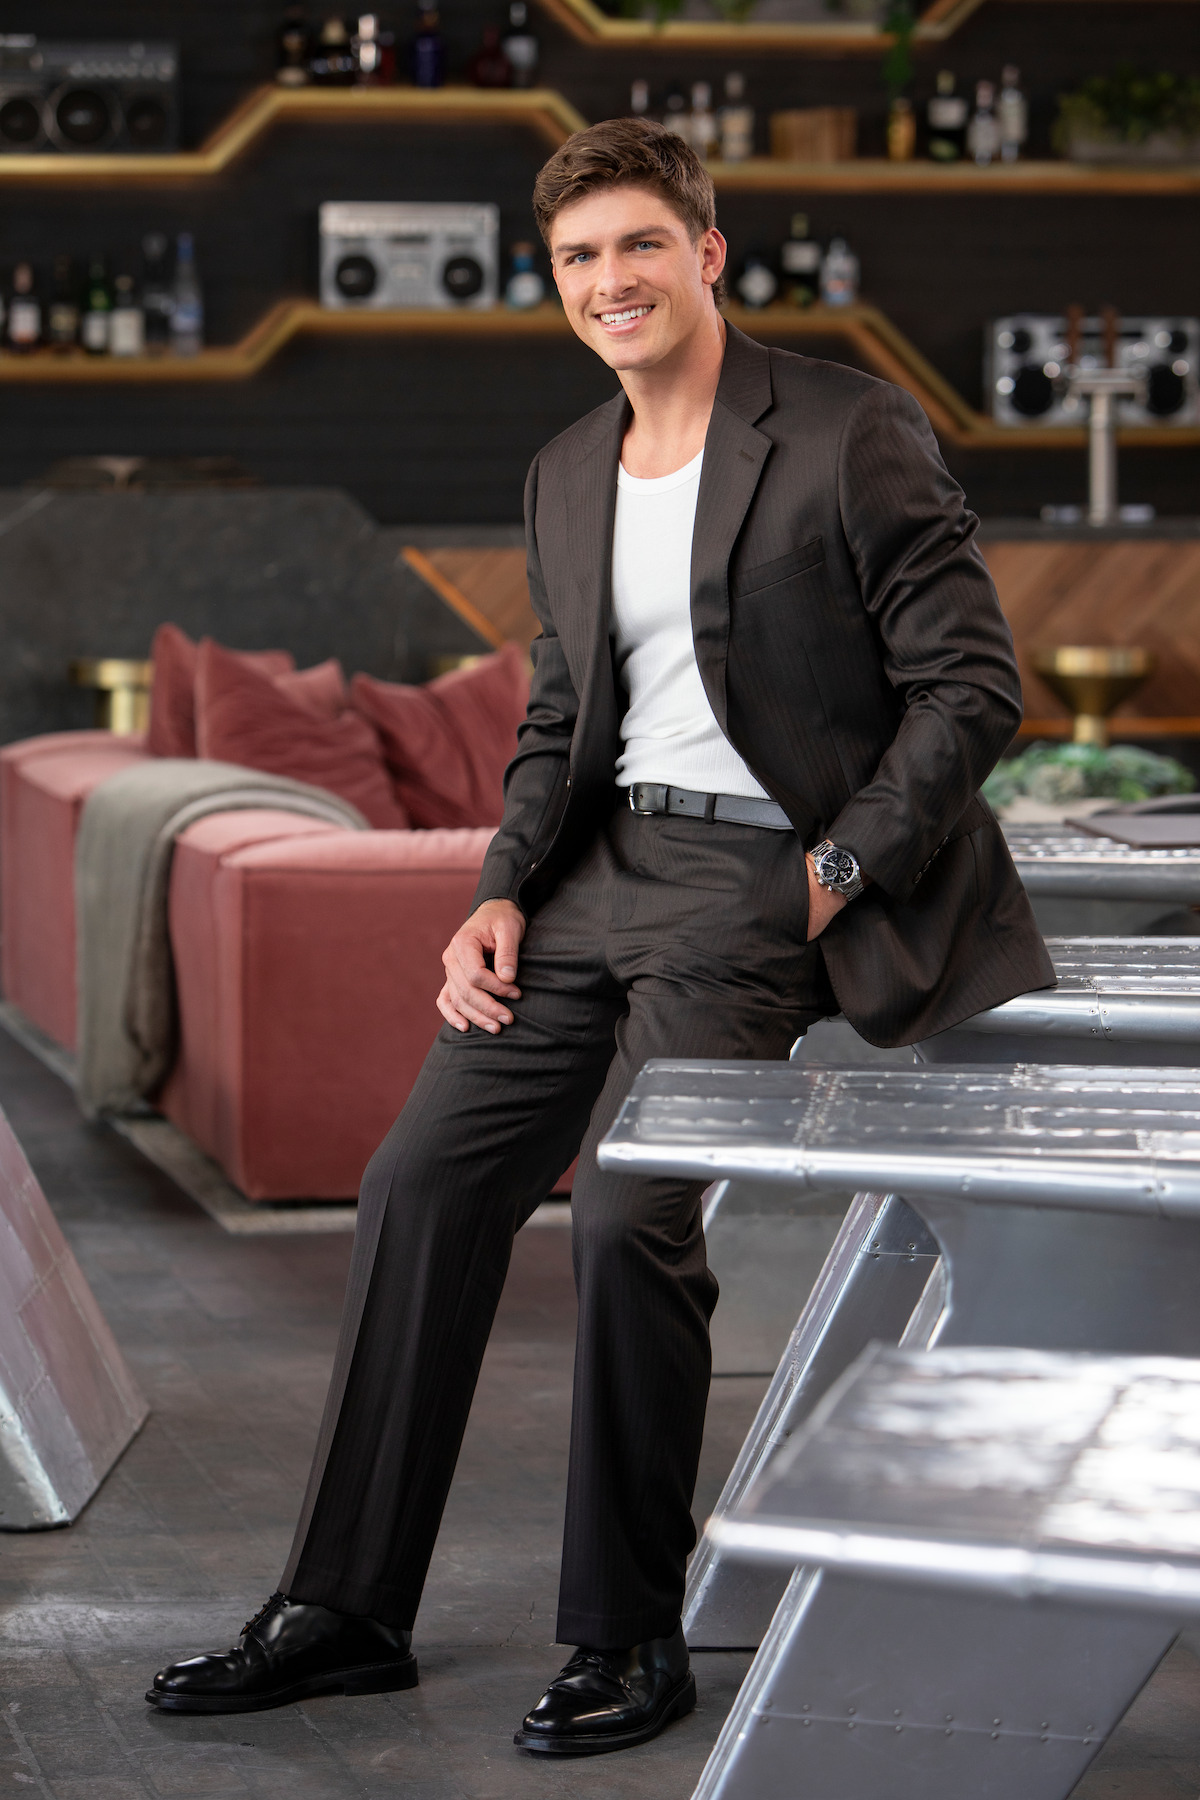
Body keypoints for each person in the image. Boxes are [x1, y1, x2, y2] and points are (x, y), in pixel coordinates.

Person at [146, 118, 1053, 1755]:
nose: (609, 281)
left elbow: (972, 684)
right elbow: (562, 718)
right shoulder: (565, 470)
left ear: (708, 253)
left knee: (631, 1215)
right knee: (425, 1183)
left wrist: (832, 876)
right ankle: (346, 1609)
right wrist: (495, 889)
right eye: (578, 257)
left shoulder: (847, 430)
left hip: (761, 888)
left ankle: (631, 1635)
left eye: (640, 245)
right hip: (584, 884)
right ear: (552, 282)